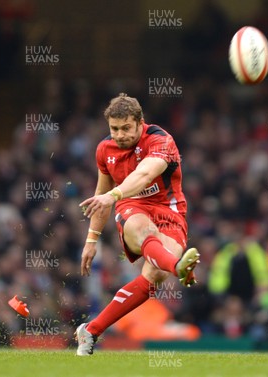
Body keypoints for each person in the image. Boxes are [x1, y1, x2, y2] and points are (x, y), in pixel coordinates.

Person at [74, 93, 200, 356]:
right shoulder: (104, 151)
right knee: (144, 231)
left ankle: (91, 330)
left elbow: (144, 175)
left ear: (140, 123)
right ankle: (179, 268)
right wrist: (91, 240)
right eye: (114, 129)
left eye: (126, 128)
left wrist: (112, 195)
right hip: (133, 208)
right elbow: (101, 196)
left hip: (169, 211)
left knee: (154, 276)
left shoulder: (161, 141)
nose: (119, 135)